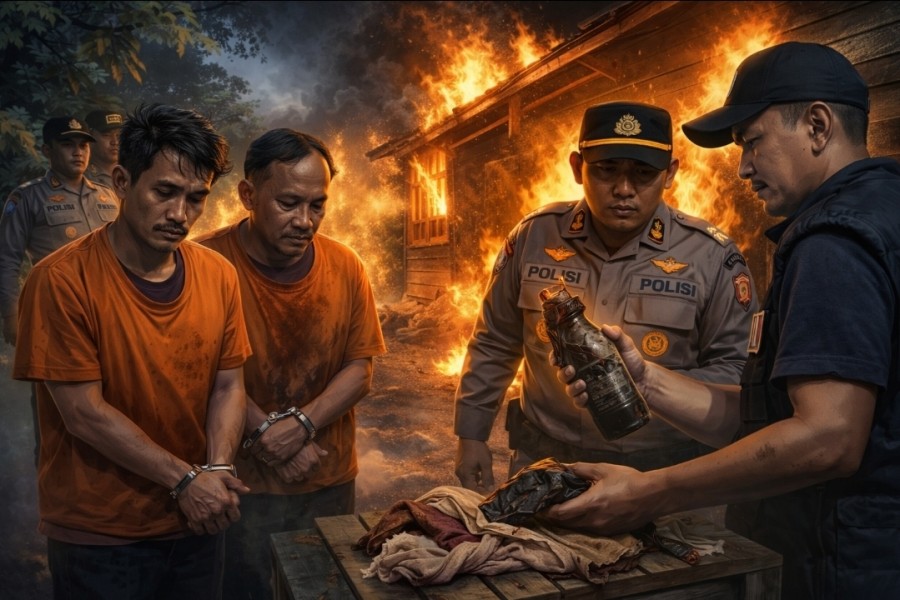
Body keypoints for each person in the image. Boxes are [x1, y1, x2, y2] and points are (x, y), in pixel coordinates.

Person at [546, 42, 900, 598]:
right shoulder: (885, 210)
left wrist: (653, 490)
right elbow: (778, 418)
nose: (742, 168)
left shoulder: (835, 241)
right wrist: (647, 382)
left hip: (843, 566)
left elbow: (828, 436)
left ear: (817, 125)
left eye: (752, 142)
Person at [12, 103, 252, 599]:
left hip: (197, 521)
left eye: (196, 198)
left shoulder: (218, 275)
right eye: (164, 192)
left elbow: (228, 385)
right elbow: (83, 413)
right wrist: (187, 481)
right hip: (100, 534)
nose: (180, 214)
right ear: (122, 181)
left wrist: (220, 471)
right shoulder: (60, 280)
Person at [454, 101, 758, 492]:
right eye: (606, 170)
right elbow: (495, 341)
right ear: (578, 168)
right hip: (546, 465)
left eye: (643, 173)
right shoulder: (533, 237)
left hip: (663, 477)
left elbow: (736, 372)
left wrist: (649, 387)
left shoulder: (712, 258)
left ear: (670, 174)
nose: (624, 190)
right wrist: (471, 434)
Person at [195, 128, 387, 600]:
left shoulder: (346, 266)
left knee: (328, 589)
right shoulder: (202, 262)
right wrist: (267, 435)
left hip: (328, 478)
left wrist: (300, 426)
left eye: (317, 205)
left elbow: (360, 368)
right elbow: (196, 372)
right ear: (248, 194)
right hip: (237, 486)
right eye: (288, 203)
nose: (305, 220)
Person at [0, 116, 119, 346]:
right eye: (67, 145)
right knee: (59, 380)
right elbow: (7, 260)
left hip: (111, 309)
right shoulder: (27, 197)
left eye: (83, 145)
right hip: (58, 313)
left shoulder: (109, 195)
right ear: (47, 150)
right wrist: (11, 316)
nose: (78, 152)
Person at [84, 108, 125, 187]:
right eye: (107, 135)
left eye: (119, 135)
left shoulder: (132, 172)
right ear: (90, 137)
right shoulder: (80, 177)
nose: (115, 142)